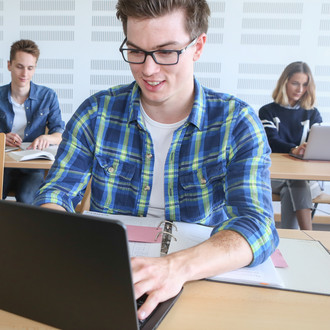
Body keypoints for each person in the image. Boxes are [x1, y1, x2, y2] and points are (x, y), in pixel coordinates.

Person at [34, 0, 279, 320]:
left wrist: (174, 268)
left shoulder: (237, 122)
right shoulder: (96, 113)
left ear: (198, 46)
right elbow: (56, 193)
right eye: (136, 51)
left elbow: (257, 226)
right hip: (110, 279)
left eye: (166, 52)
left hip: (200, 279)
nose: (148, 70)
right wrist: (58, 236)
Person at [259, 61, 323, 230]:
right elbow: (271, 141)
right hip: (276, 177)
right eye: (295, 83)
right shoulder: (267, 111)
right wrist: (294, 149)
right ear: (284, 82)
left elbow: (316, 143)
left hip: (309, 181)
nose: (300, 89)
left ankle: (290, 239)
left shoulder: (313, 113)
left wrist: (307, 148)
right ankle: (309, 235)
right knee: (296, 182)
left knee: (295, 184)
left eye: (304, 84)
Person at [0, 39, 65, 204]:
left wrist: (46, 138)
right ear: (9, 65)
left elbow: (59, 134)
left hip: (32, 166)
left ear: (35, 68)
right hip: (3, 164)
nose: (24, 74)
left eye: (30, 68)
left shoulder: (47, 96)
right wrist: (2, 137)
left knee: (28, 199)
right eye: (19, 67)